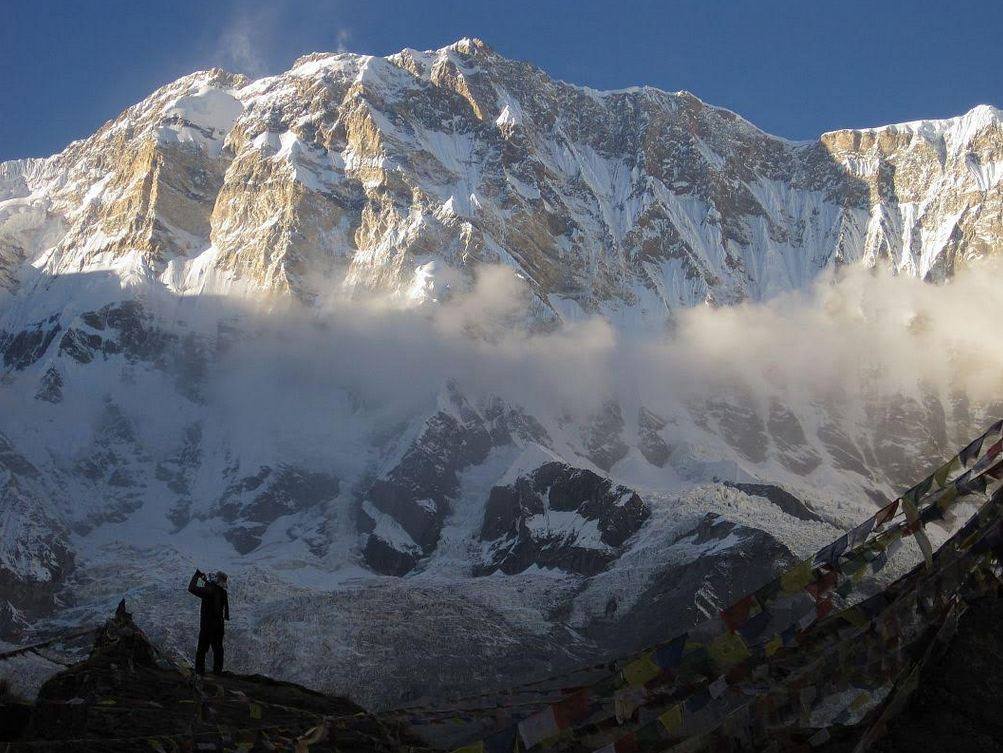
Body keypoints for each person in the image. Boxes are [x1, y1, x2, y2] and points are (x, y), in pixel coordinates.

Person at [187, 569, 230, 675]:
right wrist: (203, 580)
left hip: (208, 625)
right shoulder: (222, 592)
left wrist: (197, 576)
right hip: (219, 625)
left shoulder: (211, 590)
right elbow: (204, 588)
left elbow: (193, 588)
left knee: (202, 649)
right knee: (218, 649)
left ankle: (199, 672)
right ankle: (217, 673)